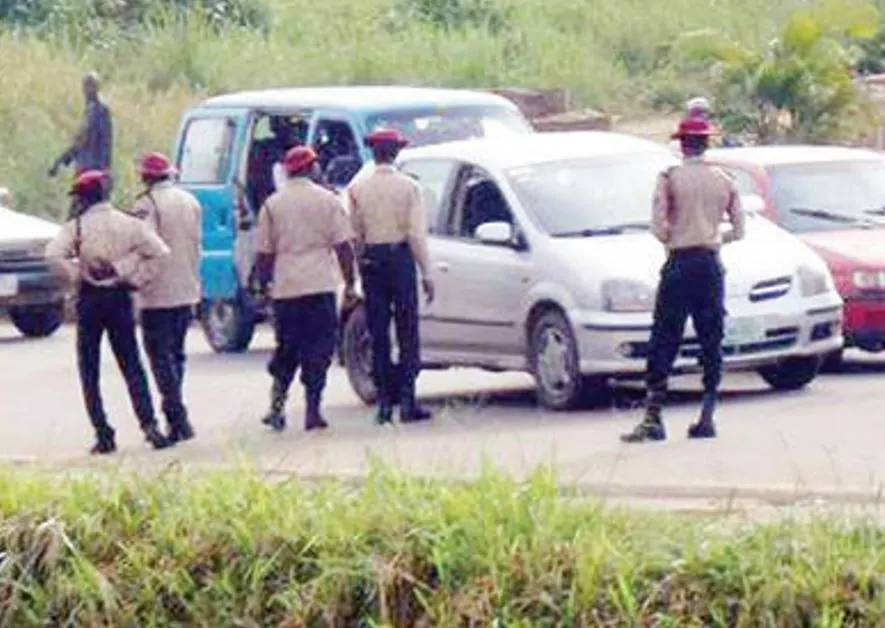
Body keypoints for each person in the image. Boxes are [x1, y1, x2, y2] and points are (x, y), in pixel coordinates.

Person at [621, 117, 746, 444]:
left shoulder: (669, 178)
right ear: (706, 143)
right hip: (710, 264)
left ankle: (653, 417)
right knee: (711, 338)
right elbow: (739, 230)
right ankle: (707, 416)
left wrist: (677, 237)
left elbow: (658, 226)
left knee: (665, 337)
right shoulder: (724, 179)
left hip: (679, 262)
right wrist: (712, 237)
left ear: (682, 144)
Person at [44, 170, 171, 455]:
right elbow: (161, 252)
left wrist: (77, 274)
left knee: (89, 368)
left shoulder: (76, 227)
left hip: (90, 300)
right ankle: (150, 425)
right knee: (132, 364)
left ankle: (103, 433)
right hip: (120, 297)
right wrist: (133, 275)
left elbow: (52, 254)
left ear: (82, 199)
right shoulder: (130, 224)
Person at [255, 146, 358, 432]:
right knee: (319, 349)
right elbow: (343, 246)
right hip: (320, 284)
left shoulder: (273, 204)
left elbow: (264, 253)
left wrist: (264, 286)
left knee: (287, 348)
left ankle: (277, 405)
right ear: (312, 168)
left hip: (286, 287)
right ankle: (313, 410)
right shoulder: (328, 200)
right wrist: (350, 282)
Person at [347, 128, 435, 425]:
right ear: (395, 153)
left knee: (378, 332)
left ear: (374, 153)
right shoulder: (409, 187)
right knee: (408, 330)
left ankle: (384, 403)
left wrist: (360, 265)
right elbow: (416, 234)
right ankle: (408, 400)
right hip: (400, 259)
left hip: (372, 260)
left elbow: (355, 233)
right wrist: (426, 271)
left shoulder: (358, 188)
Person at [130, 152, 202, 445]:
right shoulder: (190, 201)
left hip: (157, 291)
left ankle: (177, 414)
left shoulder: (146, 205)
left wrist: (134, 278)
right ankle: (176, 415)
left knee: (160, 358)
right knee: (176, 355)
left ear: (146, 176)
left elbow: (145, 245)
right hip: (186, 286)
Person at [48, 72, 113, 192]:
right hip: (94, 168)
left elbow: (83, 139)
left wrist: (62, 161)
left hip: (91, 170)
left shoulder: (98, 110)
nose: (86, 90)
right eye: (85, 86)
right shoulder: (94, 109)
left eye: (89, 86)